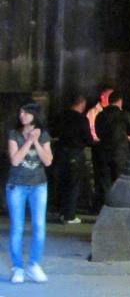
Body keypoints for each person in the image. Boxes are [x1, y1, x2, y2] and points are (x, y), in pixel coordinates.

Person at [6, 102, 53, 284]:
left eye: (26, 112)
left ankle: (34, 265)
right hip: (17, 185)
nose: (22, 115)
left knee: (39, 226)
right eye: (21, 111)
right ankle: (18, 267)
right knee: (17, 227)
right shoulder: (14, 134)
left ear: (35, 115)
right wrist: (28, 141)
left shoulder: (44, 135)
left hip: (38, 186)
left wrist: (37, 142)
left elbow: (48, 161)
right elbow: (15, 160)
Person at [53, 95, 94, 224]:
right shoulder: (81, 119)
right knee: (73, 184)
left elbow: (54, 132)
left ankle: (61, 212)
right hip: (75, 153)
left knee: (62, 183)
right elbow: (88, 139)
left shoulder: (60, 116)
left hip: (60, 153)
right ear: (81, 104)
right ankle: (69, 215)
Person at [94, 92, 130, 207]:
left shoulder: (100, 115)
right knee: (119, 179)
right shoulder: (123, 115)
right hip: (119, 151)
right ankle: (120, 204)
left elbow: (98, 133)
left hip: (103, 151)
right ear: (120, 101)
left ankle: (106, 205)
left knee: (105, 181)